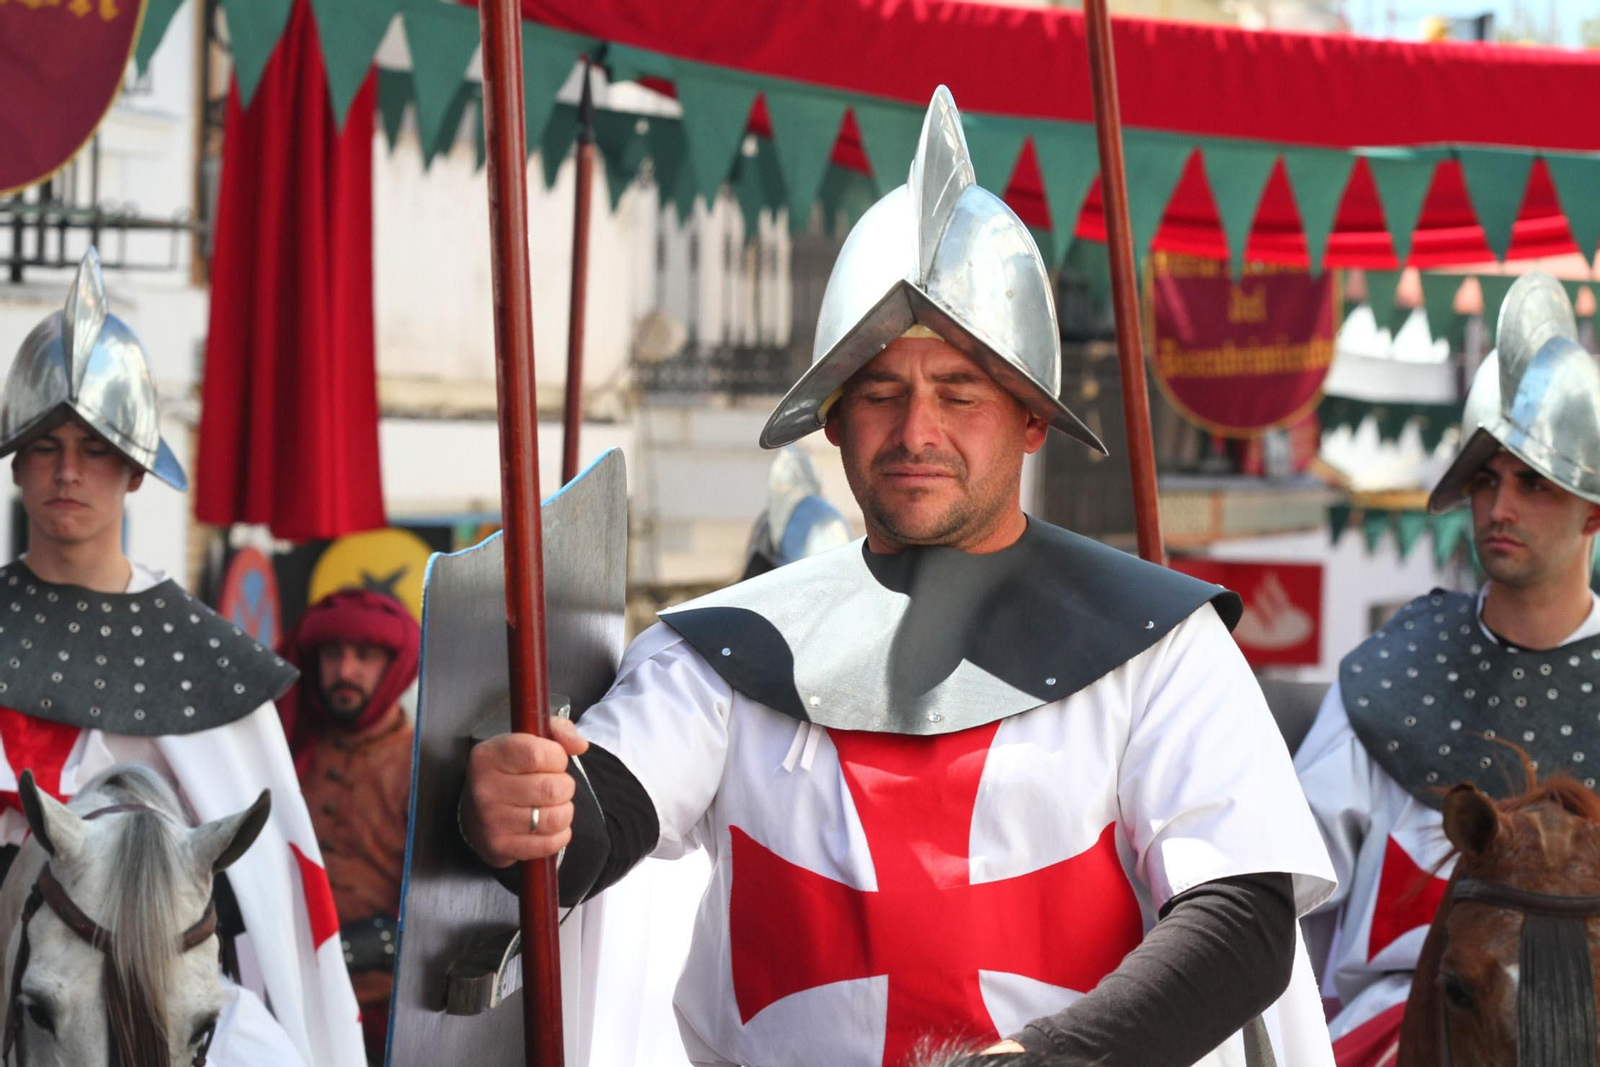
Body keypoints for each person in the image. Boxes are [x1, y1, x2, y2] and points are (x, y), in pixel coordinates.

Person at [459, 88, 1335, 1067]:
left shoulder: (1161, 646)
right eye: (881, 392)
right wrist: (526, 807)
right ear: (834, 419)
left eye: (959, 393)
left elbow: (1241, 916)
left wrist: (1043, 1062)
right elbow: (607, 811)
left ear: (1031, 419)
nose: (917, 430)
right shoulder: (725, 650)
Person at [0, 249, 365, 1066]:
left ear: (135, 471)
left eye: (95, 447)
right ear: (16, 461)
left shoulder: (209, 665)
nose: (68, 471)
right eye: (46, 444)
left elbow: (271, 914)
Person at [1294, 272, 1600, 1067]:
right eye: (1484, 480)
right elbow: (1282, 901)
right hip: (1380, 1037)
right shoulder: (1394, 675)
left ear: (1593, 509)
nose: (1499, 508)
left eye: (1533, 482)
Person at [277, 588, 419, 1065]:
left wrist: (346, 947)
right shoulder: (285, 748)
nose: (345, 671)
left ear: (395, 665)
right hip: (280, 1001)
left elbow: (446, 907)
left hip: (385, 1018)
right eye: (332, 654)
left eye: (365, 656)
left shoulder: (427, 766)